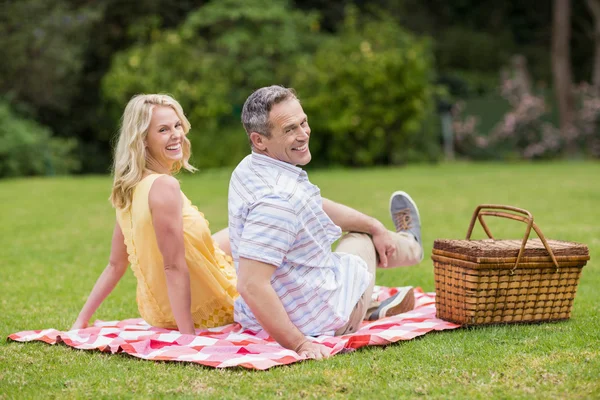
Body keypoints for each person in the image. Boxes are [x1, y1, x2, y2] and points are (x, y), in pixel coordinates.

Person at [228, 85, 424, 360]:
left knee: (366, 229)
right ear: (260, 140)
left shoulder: (250, 168)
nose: (303, 134)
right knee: (360, 238)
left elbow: (313, 203)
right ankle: (411, 244)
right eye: (289, 130)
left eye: (303, 122)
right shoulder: (277, 202)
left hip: (272, 315)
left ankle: (373, 303)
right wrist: (300, 344)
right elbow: (251, 285)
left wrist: (374, 223)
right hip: (324, 321)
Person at [71, 94, 237, 334]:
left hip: (157, 312)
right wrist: (188, 336)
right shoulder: (163, 187)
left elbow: (115, 265)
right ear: (143, 139)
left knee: (242, 231)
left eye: (177, 125)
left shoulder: (129, 186)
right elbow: (173, 266)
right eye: (163, 130)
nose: (176, 135)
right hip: (205, 308)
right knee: (262, 239)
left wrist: (81, 321)